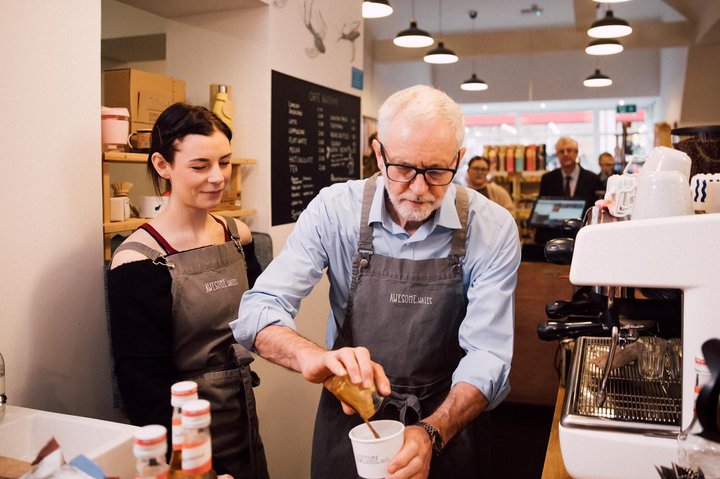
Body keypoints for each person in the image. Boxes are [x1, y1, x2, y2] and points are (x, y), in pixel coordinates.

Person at [233, 85, 521, 478]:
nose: (419, 189)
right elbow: (258, 309)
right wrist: (312, 357)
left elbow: (488, 356)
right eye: (402, 168)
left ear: (459, 159)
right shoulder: (334, 212)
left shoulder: (493, 228)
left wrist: (432, 433)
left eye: (437, 171)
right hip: (352, 421)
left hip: (447, 418)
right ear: (378, 152)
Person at [107, 103, 269, 479]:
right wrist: (200, 468)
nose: (218, 178)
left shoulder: (236, 235)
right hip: (186, 430)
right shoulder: (136, 261)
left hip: (243, 413)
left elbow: (260, 315)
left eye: (225, 163)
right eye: (200, 166)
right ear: (163, 166)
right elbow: (143, 386)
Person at [539, 136, 602, 210]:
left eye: (569, 151)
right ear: (557, 155)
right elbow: (543, 209)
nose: (565, 154)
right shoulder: (547, 179)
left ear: (576, 153)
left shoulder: (593, 179)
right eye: (561, 151)